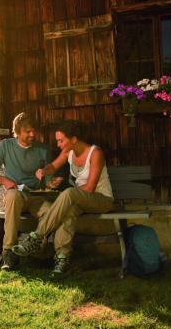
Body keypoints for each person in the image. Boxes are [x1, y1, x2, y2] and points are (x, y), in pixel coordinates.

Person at [12, 119, 114, 277]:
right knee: (68, 211)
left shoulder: (95, 153)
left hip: (101, 199)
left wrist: (68, 195)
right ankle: (62, 259)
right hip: (80, 199)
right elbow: (53, 166)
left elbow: (91, 188)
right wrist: (44, 171)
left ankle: (36, 237)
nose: (58, 145)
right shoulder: (69, 152)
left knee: (68, 195)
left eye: (61, 141)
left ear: (73, 139)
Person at [0, 112, 62, 271]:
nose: (32, 134)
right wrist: (4, 180)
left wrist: (52, 182)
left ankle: (34, 255)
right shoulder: (5, 146)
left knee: (51, 212)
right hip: (15, 195)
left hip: (36, 197)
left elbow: (48, 179)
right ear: (17, 131)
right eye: (27, 131)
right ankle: (9, 253)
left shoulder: (43, 149)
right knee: (12, 195)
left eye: (34, 130)